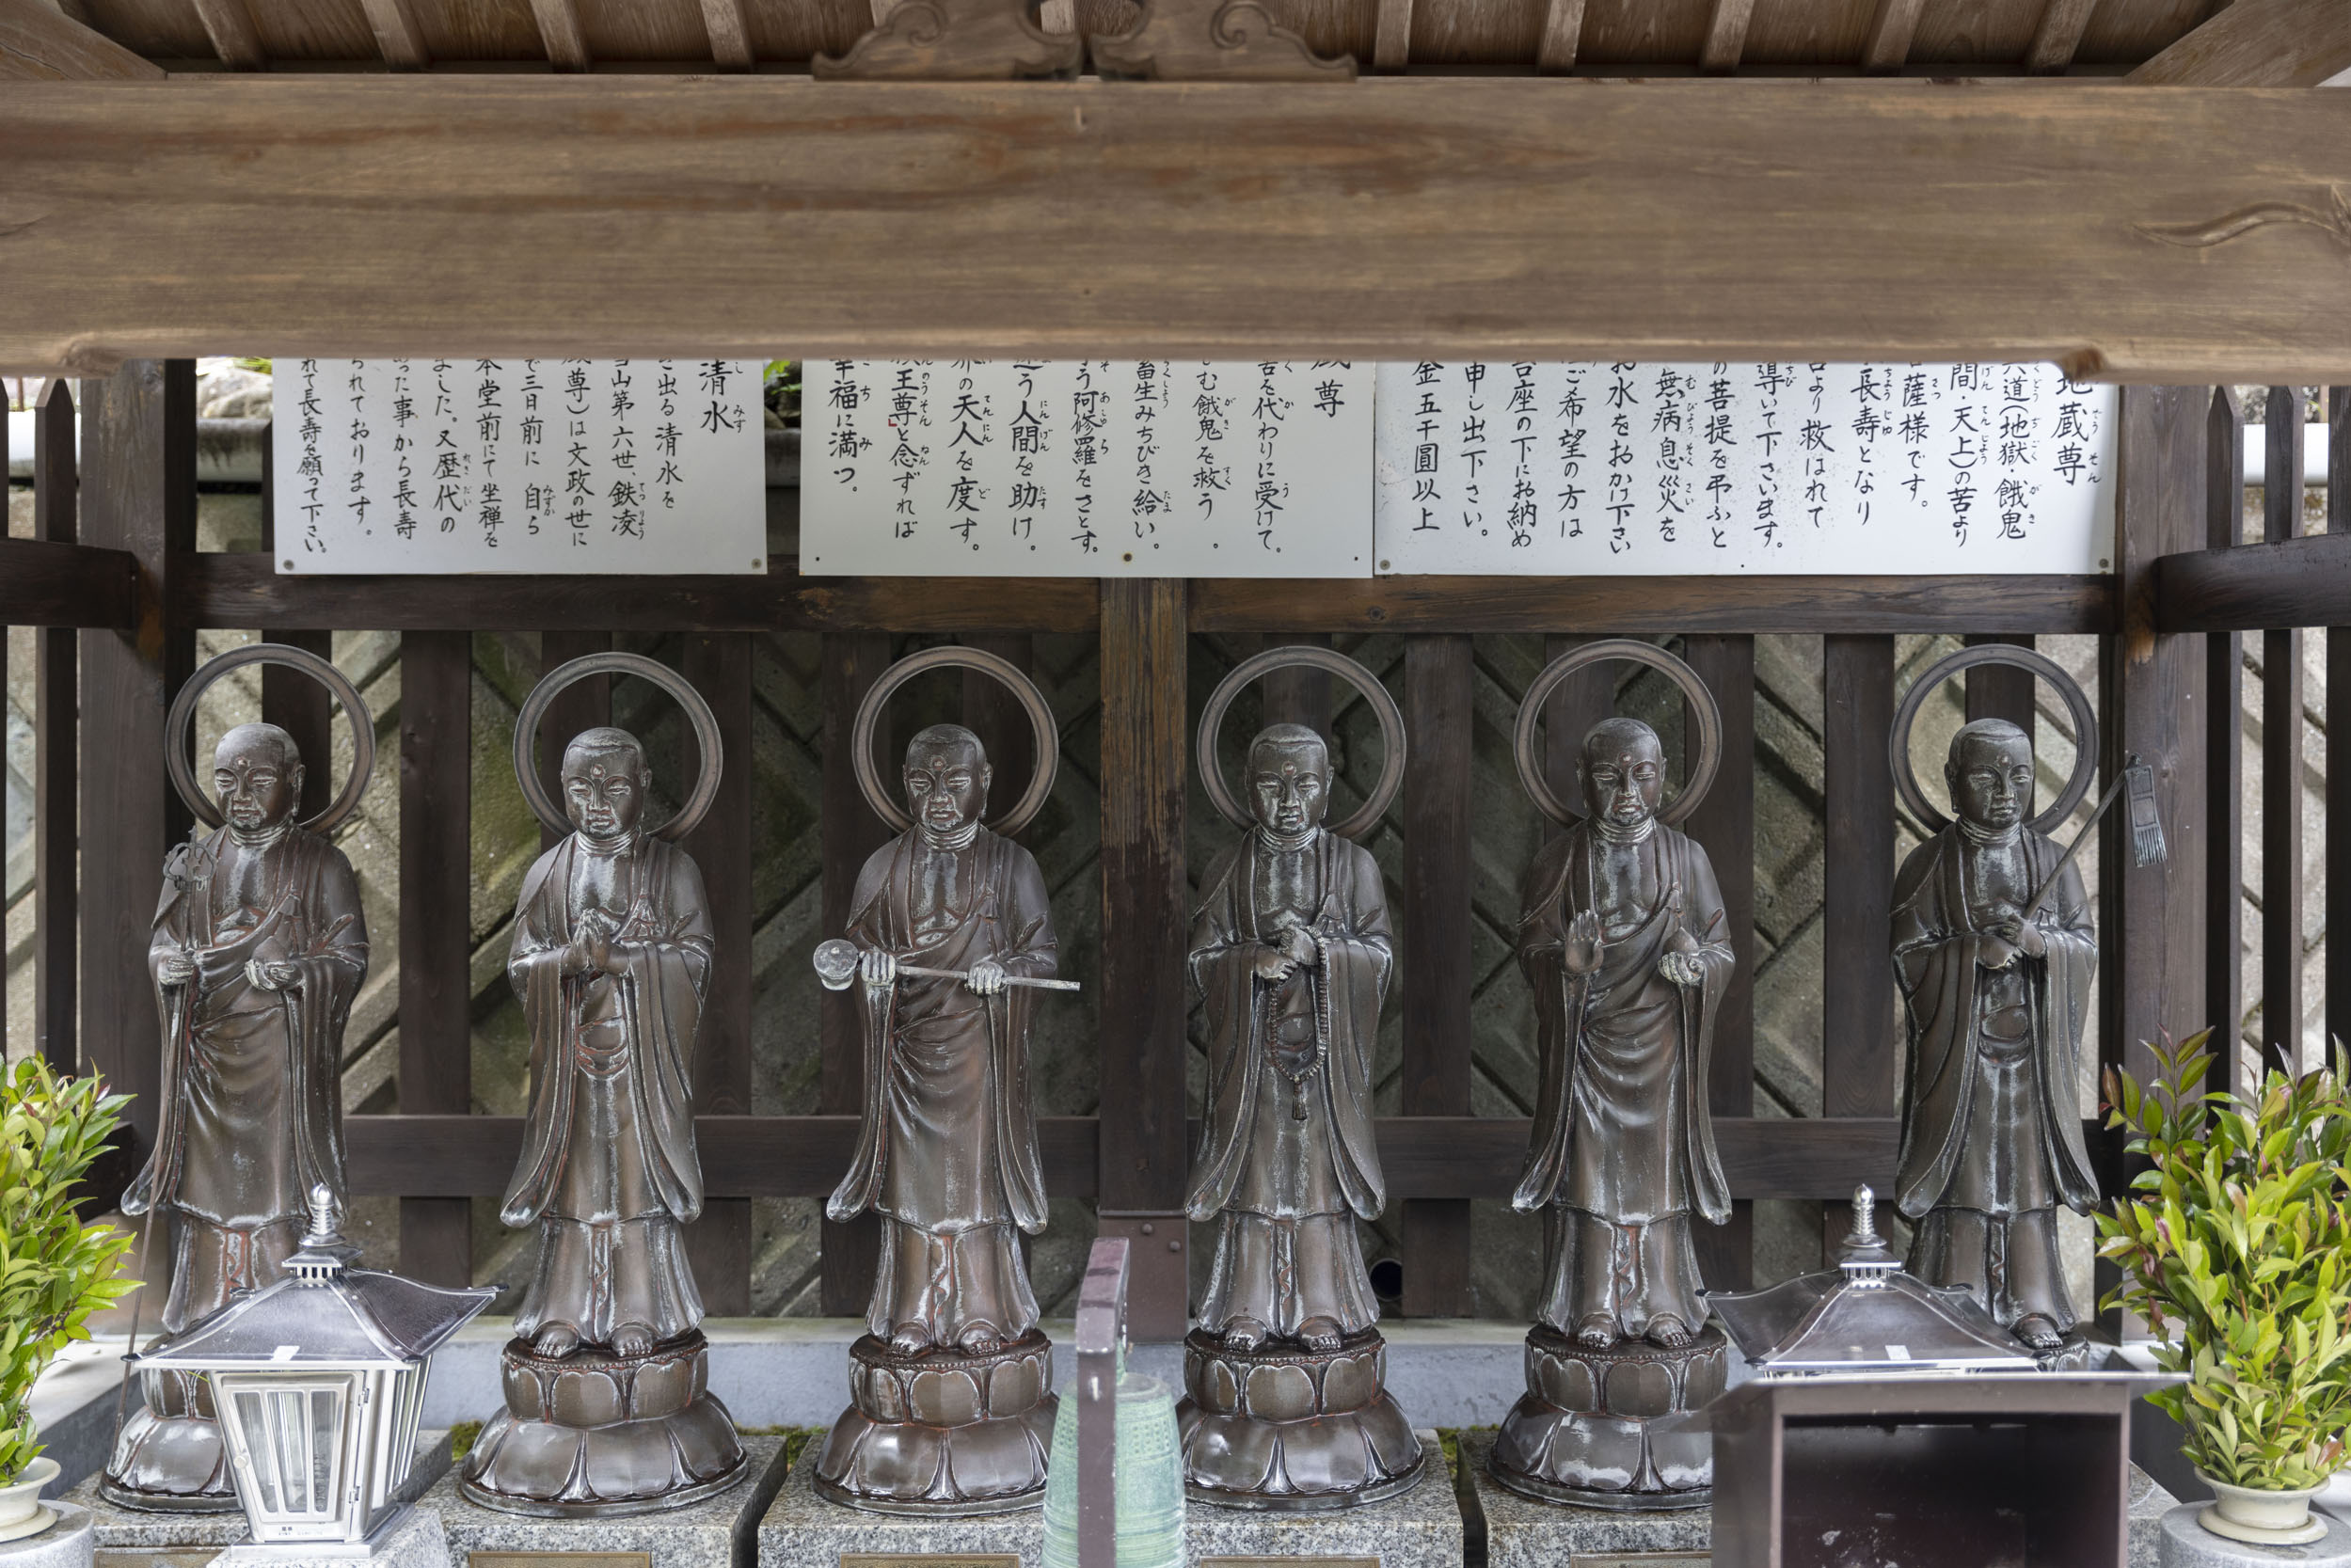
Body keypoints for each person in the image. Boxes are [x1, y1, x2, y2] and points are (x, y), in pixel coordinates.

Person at [111, 722, 369, 1506]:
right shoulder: (194, 862)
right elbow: (162, 945)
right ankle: (199, 1317)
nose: (241, 794)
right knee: (203, 1197)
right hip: (206, 1056)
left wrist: (301, 971)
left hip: (281, 1061)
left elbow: (349, 953)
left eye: (258, 778)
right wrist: (172, 966)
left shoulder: (321, 864)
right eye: (226, 779)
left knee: (275, 1193)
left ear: (294, 779)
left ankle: (277, 1326)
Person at [829, 723, 1057, 1355]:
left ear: (983, 783)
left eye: (954, 782)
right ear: (903, 785)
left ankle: (980, 1311)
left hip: (980, 1053)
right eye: (922, 782)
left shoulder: (1014, 866)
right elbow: (857, 953)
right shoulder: (883, 866)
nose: (937, 797)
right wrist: (869, 972)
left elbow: (1041, 957)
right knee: (914, 1188)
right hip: (908, 1054)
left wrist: (1006, 971)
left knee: (975, 1186)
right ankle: (914, 1310)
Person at [1513, 717, 1734, 1351]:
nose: (1627, 790)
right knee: (1590, 1175)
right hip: (1588, 1043)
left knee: (1657, 1177)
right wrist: (1566, 966)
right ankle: (1595, 1302)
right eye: (1610, 776)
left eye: (1642, 774)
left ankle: (1662, 1300)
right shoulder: (1559, 859)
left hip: (1662, 1043)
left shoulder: (1687, 857)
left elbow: (1720, 948)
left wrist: (1695, 962)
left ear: (1663, 777)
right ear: (1583, 781)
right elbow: (1533, 944)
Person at [502, 726, 713, 1358]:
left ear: (643, 787)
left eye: (613, 785)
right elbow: (521, 964)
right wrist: (564, 960)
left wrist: (624, 960)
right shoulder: (548, 872)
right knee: (575, 1187)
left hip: (641, 1061)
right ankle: (566, 1310)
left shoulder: (673, 869)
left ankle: (640, 1314)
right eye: (579, 786)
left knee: (633, 1185)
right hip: (571, 1063)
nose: (596, 800)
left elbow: (697, 959)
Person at [1892, 717, 2097, 1351]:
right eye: (1986, 775)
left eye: (2019, 775)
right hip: (1958, 1054)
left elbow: (2083, 947)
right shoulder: (1928, 865)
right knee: (1965, 1174)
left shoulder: (2050, 863)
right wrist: (1967, 955)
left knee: (2024, 1182)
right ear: (1953, 783)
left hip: (2031, 1055)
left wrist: (2041, 945)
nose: (2005, 789)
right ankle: (1953, 1296)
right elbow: (1905, 955)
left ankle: (2030, 1302)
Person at [1186, 723, 1391, 1354]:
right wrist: (1246, 960)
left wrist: (1323, 951)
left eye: (1302, 782)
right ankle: (1245, 1306)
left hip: (1324, 1063)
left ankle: (1321, 1310)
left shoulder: (1353, 865)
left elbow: (1380, 955)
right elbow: (1200, 957)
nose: (1287, 798)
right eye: (1272, 784)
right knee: (1256, 1185)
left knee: (1313, 1187)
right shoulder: (1231, 865)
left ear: (1327, 787)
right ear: (1248, 789)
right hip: (1251, 1061)